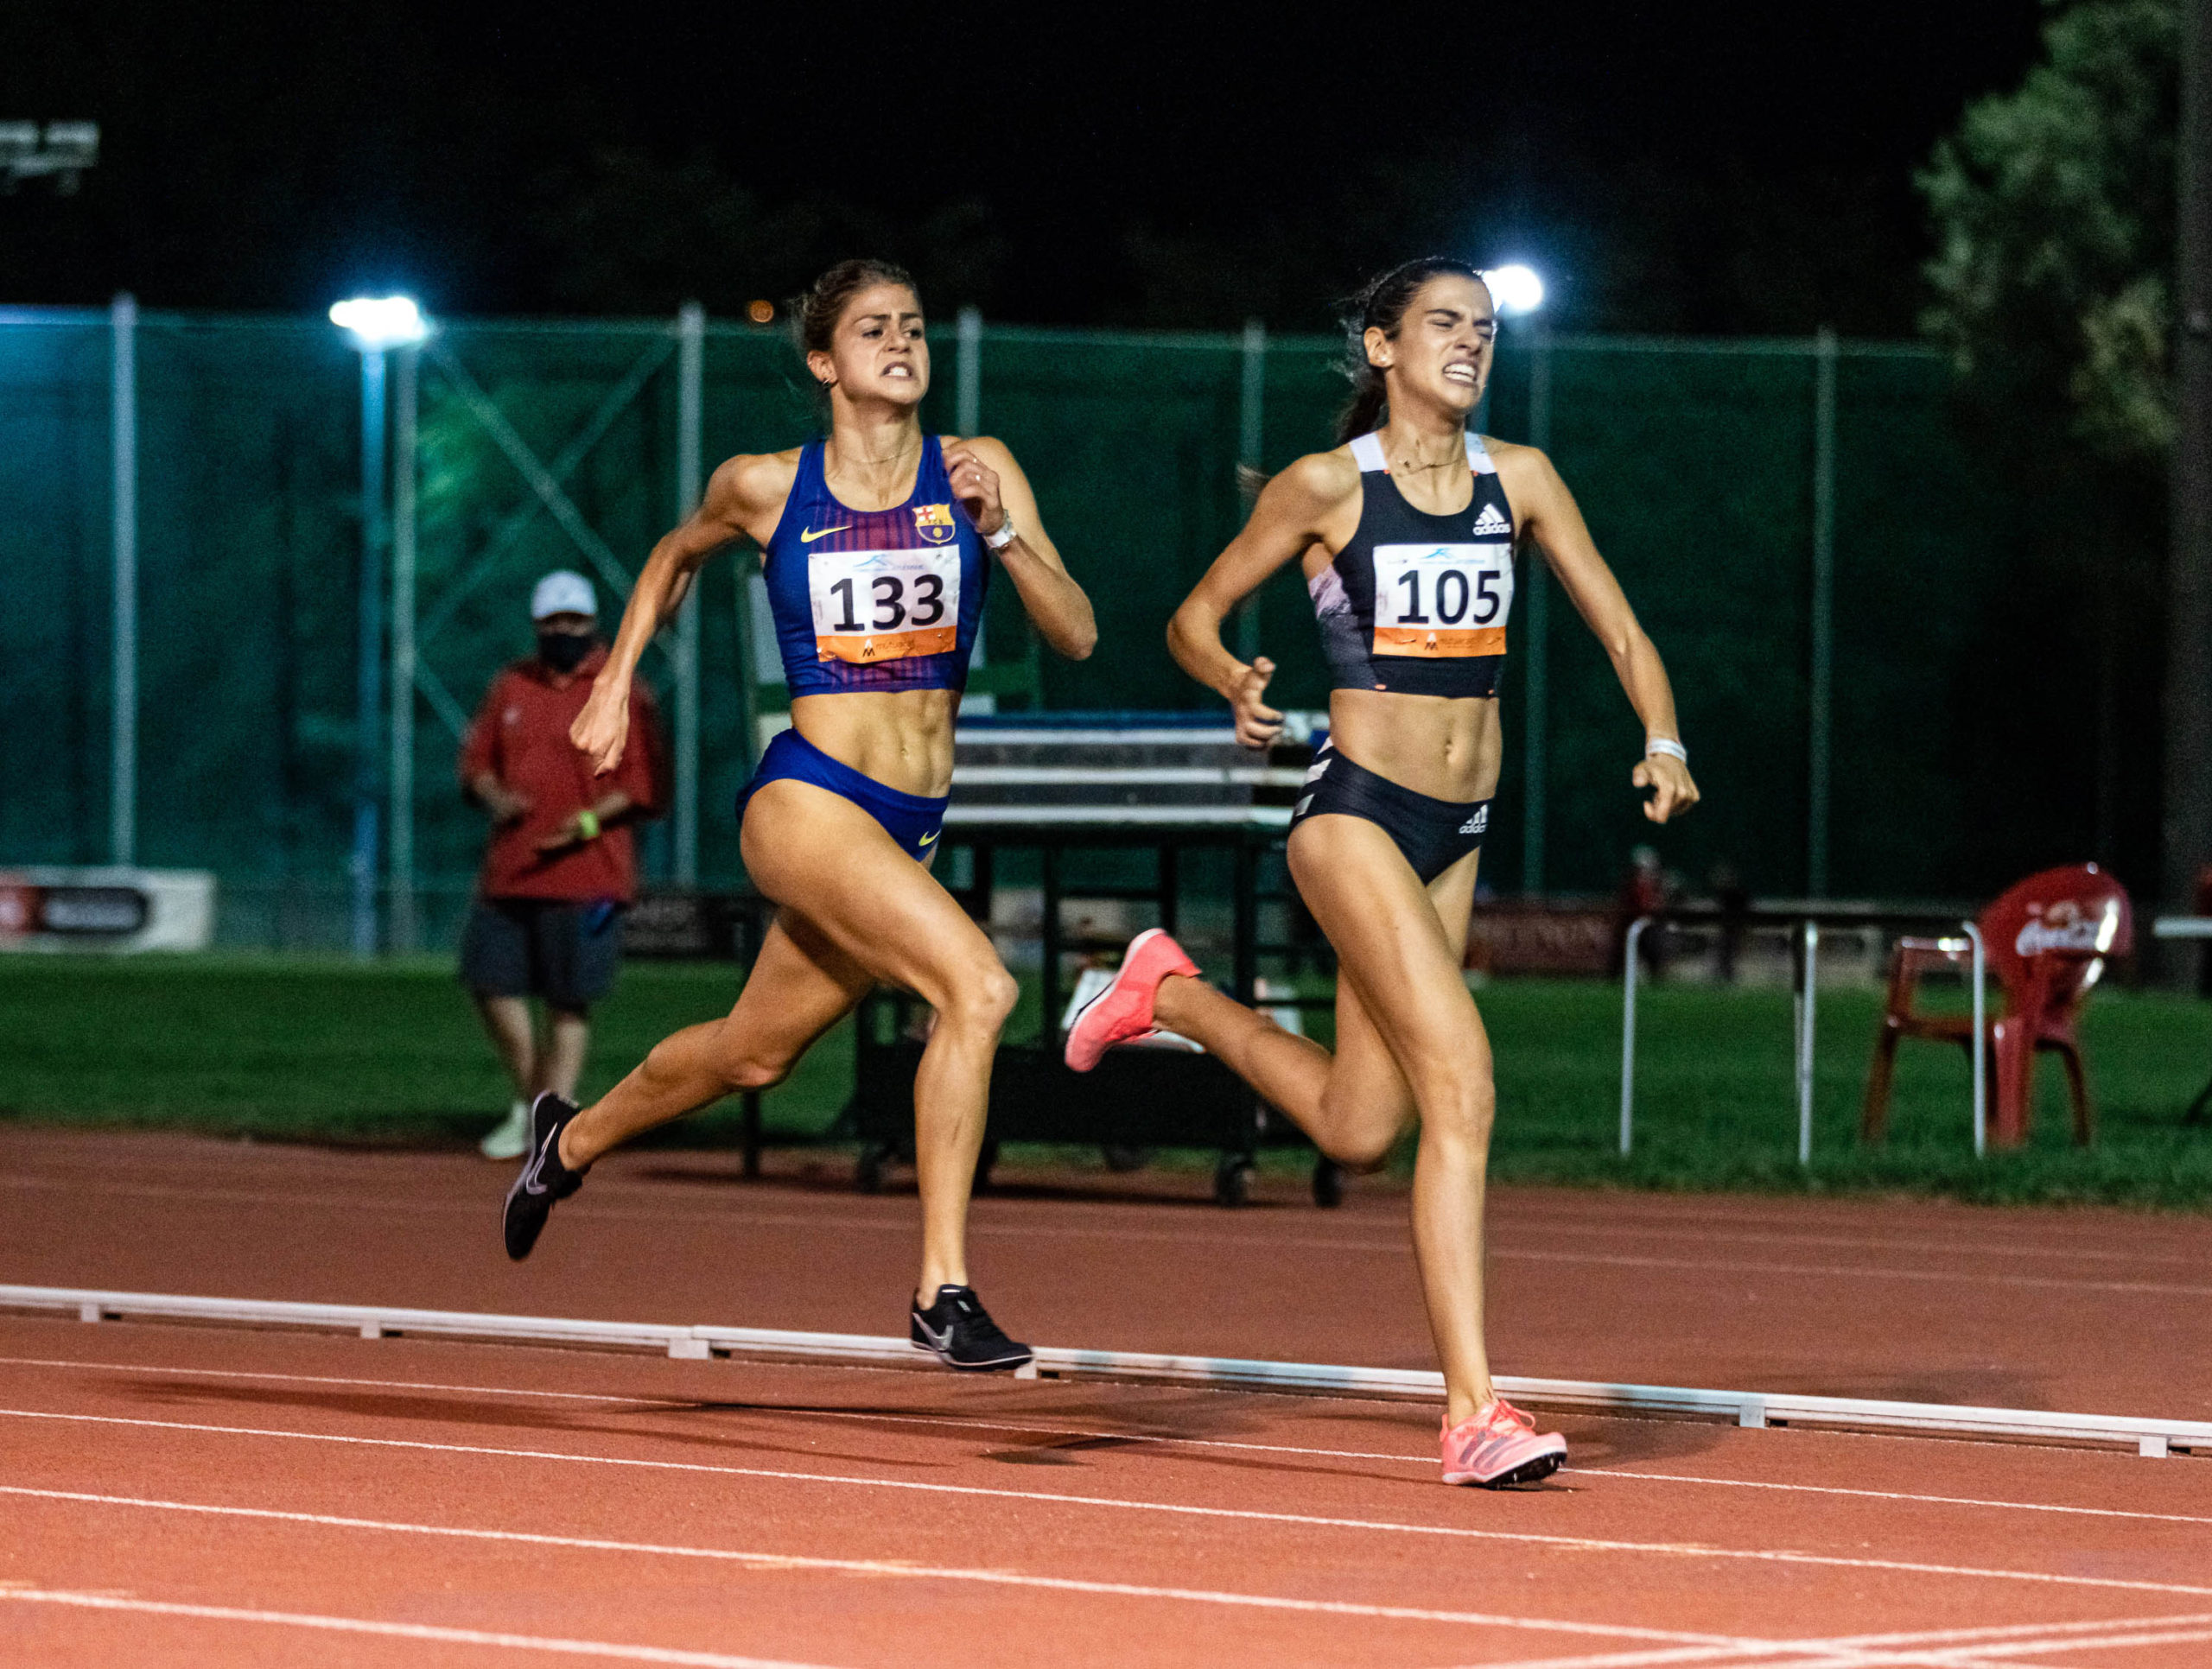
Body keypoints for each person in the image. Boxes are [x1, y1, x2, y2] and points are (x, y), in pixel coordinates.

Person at [1066, 257, 1700, 1486]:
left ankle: (1165, 991)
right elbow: (1192, 617)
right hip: (1353, 814)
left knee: (1361, 1124)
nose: (1471, 342)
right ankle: (1472, 1411)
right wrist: (1232, 681)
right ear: (1381, 347)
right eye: (1445, 324)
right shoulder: (1325, 490)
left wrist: (1663, 738)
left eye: (1486, 328)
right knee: (1461, 1079)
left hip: (1457, 828)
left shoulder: (1522, 480)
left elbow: (1621, 627)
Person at [502, 259, 1096, 1373]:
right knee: (979, 988)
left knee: (752, 1056)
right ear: (824, 362)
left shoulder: (980, 467)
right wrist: (614, 684)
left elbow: (1077, 634)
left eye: (914, 327)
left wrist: (1001, 532)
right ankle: (942, 1290)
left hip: (908, 822)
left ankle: (565, 1142)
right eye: (875, 330)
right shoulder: (769, 485)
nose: (902, 344)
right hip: (807, 799)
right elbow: (676, 555)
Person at [461, 570, 664, 1160]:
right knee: (489, 981)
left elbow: (642, 785)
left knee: (567, 998)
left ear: (592, 624)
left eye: (573, 622)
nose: (563, 632)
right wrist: (494, 795)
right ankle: (534, 1099)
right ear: (537, 626)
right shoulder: (511, 686)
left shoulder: (621, 687)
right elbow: (476, 763)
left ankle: (555, 1116)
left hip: (590, 872)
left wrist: (588, 824)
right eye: (553, 623)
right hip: (512, 866)